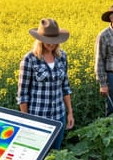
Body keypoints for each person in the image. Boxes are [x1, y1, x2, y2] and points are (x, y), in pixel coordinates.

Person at [18, 18, 74, 149]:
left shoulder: (62, 57)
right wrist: (26, 121)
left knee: (55, 156)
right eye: (48, 41)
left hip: (59, 116)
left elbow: (65, 87)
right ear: (40, 39)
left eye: (54, 41)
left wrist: (69, 112)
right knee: (39, 159)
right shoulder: (29, 59)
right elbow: (22, 94)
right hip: (38, 117)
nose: (52, 44)